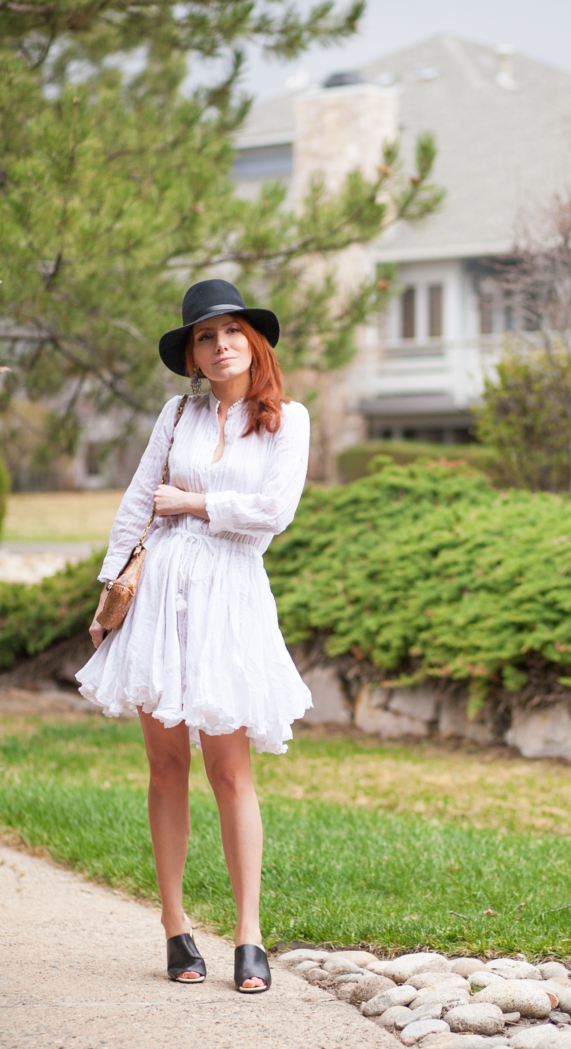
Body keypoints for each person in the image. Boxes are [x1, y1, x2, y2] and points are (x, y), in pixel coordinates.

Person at [76, 279, 312, 993]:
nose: (219, 346)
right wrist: (107, 595)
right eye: (204, 338)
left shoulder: (286, 420)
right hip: (159, 604)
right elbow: (135, 505)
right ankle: (175, 927)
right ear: (192, 355)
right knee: (166, 766)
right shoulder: (176, 414)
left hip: (230, 604)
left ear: (254, 340)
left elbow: (274, 511)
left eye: (231, 332)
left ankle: (249, 935)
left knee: (231, 768)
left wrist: (197, 502)